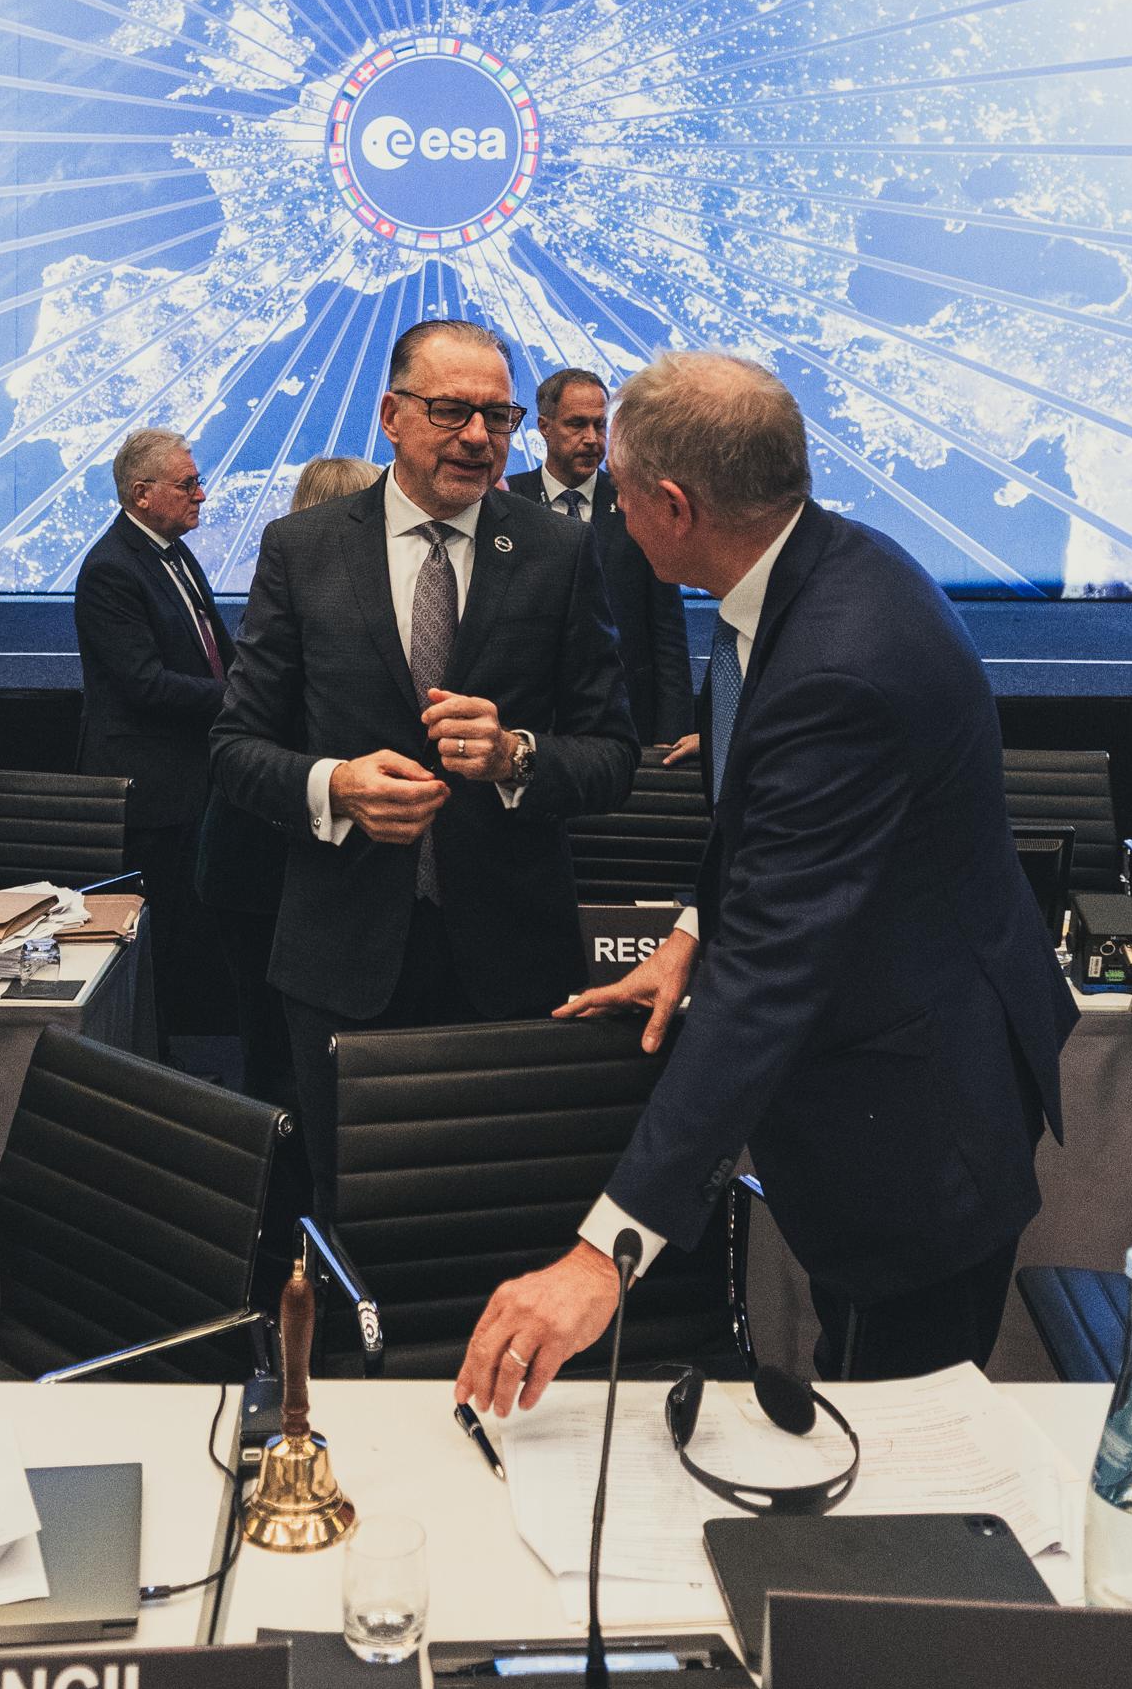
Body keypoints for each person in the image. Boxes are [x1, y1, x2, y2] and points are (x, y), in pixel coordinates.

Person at [457, 354, 1077, 1402]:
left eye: (619, 488)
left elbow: (769, 980)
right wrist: (692, 932)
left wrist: (604, 1253)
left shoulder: (838, 663)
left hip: (917, 1121)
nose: (610, 508)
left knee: (895, 1432)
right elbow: (763, 818)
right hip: (903, 1061)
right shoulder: (801, 570)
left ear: (674, 506)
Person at [208, 320, 640, 1170]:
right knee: (349, 1211)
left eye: (498, 416)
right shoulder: (303, 549)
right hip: (342, 960)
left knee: (503, 1209)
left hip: (512, 963)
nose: (478, 436)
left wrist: (517, 757)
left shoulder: (558, 551)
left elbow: (614, 754)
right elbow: (234, 748)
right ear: (391, 415)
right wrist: (336, 786)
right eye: (450, 411)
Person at [190, 454, 382, 1111]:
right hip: (261, 868)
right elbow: (249, 744)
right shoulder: (305, 605)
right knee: (279, 1058)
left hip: (277, 866)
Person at [74, 428, 234, 1043]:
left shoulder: (173, 551)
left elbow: (213, 649)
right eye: (187, 484)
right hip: (152, 793)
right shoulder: (111, 569)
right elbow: (144, 684)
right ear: (142, 494)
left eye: (198, 481)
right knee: (158, 941)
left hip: (194, 779)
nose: (201, 494)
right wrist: (240, 699)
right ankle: (152, 1068)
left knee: (190, 934)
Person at [507, 365, 698, 764]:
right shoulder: (509, 503)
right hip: (530, 726)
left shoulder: (639, 503)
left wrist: (672, 730)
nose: (592, 439)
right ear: (544, 427)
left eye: (600, 425)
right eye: (577, 424)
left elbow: (667, 630)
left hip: (628, 724)